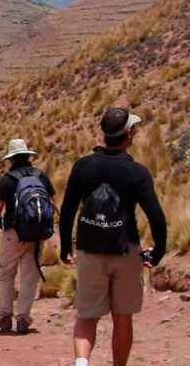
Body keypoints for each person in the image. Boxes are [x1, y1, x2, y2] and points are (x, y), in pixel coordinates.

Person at [59, 107, 167, 366]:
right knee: (122, 317)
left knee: (87, 316)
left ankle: (82, 362)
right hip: (126, 251)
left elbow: (68, 210)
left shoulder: (83, 166)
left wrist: (65, 246)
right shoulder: (137, 172)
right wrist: (158, 251)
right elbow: (156, 216)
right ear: (128, 134)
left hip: (89, 250)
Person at [0, 138, 56, 334]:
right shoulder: (41, 176)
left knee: (6, 274)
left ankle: (4, 316)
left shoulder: (8, 179)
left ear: (11, 159)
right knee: (29, 277)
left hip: (13, 234)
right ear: (27, 156)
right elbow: (51, 204)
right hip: (36, 234)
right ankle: (23, 318)